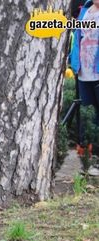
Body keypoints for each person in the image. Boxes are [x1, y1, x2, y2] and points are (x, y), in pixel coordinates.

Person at [69, 0, 99, 176]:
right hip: (84, 72)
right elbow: (77, 37)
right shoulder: (85, 10)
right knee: (88, 117)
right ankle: (89, 161)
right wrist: (74, 62)